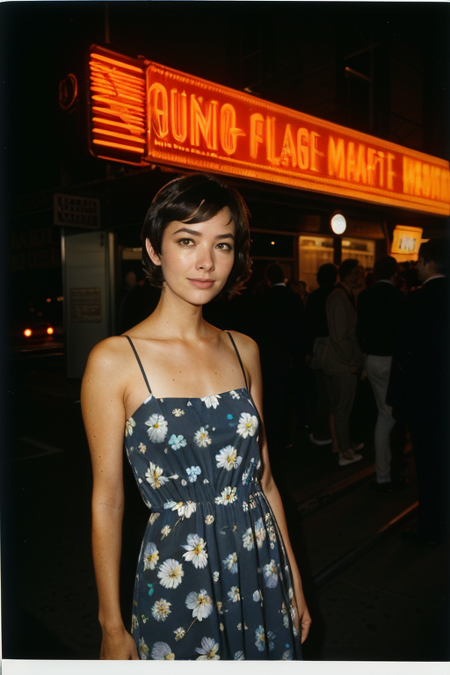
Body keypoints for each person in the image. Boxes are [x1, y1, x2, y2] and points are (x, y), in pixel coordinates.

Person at [81, 174, 311, 660]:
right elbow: (108, 500)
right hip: (180, 573)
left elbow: (266, 481)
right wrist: (110, 624)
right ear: (154, 249)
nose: (207, 262)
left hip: (259, 564)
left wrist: (292, 577)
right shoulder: (114, 360)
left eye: (222, 244)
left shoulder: (243, 349)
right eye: (187, 240)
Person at [387, 238, 449, 547]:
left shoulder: (412, 301)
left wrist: (395, 400)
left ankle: (430, 530)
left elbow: (404, 358)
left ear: (427, 264)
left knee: (427, 467)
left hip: (425, 401)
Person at [356, 256, 404, 492]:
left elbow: (360, 330)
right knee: (389, 416)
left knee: (385, 413)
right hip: (393, 360)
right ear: (394, 272)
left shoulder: (365, 296)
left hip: (373, 359)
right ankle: (385, 472)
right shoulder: (399, 297)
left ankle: (385, 470)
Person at [323, 258, 364, 466]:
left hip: (339, 361)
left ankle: (344, 446)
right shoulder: (339, 297)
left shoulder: (342, 295)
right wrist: (352, 361)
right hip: (342, 363)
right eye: (355, 272)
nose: (359, 276)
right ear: (347, 274)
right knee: (343, 409)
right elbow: (340, 336)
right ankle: (344, 452)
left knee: (340, 408)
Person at [305, 263, 338, 450]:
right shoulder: (338, 295)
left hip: (318, 347)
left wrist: (308, 351)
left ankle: (322, 432)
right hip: (334, 347)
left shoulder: (315, 296)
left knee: (322, 392)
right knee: (336, 395)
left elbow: (308, 324)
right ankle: (335, 435)